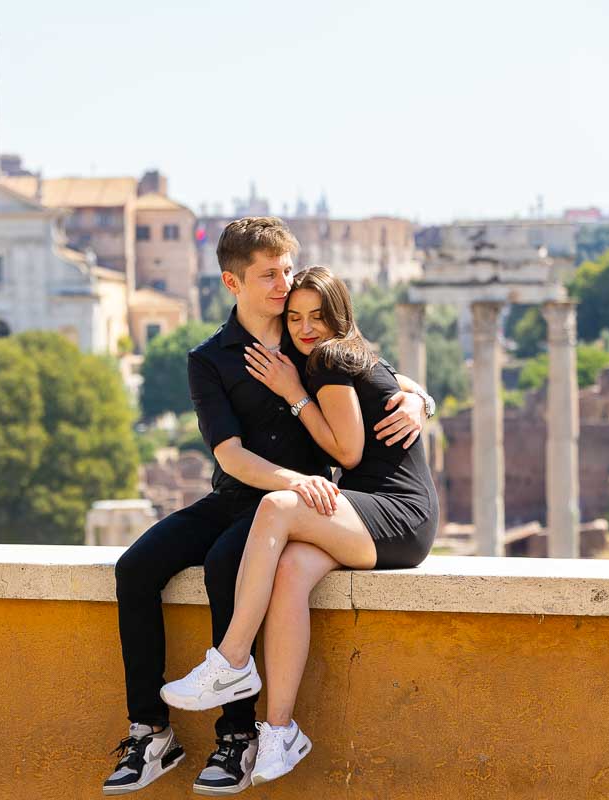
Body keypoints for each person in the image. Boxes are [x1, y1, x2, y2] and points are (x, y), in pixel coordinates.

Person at [104, 221, 434, 796]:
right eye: (269, 274)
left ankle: (236, 738)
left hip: (296, 507)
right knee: (134, 568)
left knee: (224, 569)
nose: (284, 285)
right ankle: (150, 731)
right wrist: (298, 483)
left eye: (286, 270)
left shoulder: (307, 332)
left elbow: (368, 369)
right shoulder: (209, 359)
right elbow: (230, 455)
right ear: (233, 282)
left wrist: (420, 398)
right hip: (244, 495)